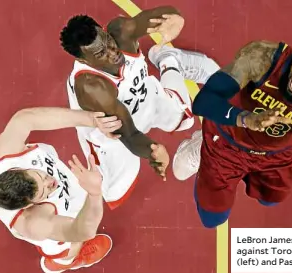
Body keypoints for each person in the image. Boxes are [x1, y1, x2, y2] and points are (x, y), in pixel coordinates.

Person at [172, 40, 292, 228]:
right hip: (228, 142)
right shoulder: (263, 58)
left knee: (269, 200)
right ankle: (202, 144)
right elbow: (202, 103)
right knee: (211, 220)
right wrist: (246, 119)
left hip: (277, 159)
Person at [59, 8, 219, 210]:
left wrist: (175, 18)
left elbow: (165, 15)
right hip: (111, 130)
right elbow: (130, 134)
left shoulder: (121, 30)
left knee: (183, 118)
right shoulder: (92, 87)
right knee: (113, 192)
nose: (112, 52)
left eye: (107, 41)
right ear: (83, 60)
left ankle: (169, 60)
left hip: (143, 97)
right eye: (101, 53)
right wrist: (154, 152)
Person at [0, 107, 121, 273]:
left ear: (18, 169)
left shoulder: (5, 154)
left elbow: (25, 118)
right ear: (29, 204)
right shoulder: (35, 223)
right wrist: (94, 193)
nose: (51, 181)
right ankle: (65, 262)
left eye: (40, 175)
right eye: (44, 191)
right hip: (62, 225)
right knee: (71, 245)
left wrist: (91, 119)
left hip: (2, 176)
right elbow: (83, 231)